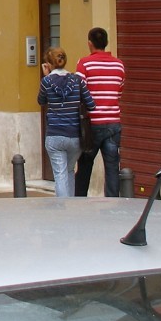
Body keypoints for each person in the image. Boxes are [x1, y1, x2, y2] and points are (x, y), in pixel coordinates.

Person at [74, 27, 126, 197]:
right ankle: (112, 202)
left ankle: (80, 200)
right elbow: (119, 92)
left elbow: (79, 92)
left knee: (85, 164)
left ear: (90, 44)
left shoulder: (84, 63)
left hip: (92, 124)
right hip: (113, 122)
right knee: (112, 166)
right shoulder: (119, 65)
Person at [38, 47, 95, 197]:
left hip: (55, 135)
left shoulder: (47, 81)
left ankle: (63, 208)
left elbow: (41, 101)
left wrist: (46, 76)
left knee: (60, 174)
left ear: (48, 64)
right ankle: (71, 206)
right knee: (69, 170)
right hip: (75, 136)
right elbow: (91, 104)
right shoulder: (77, 80)